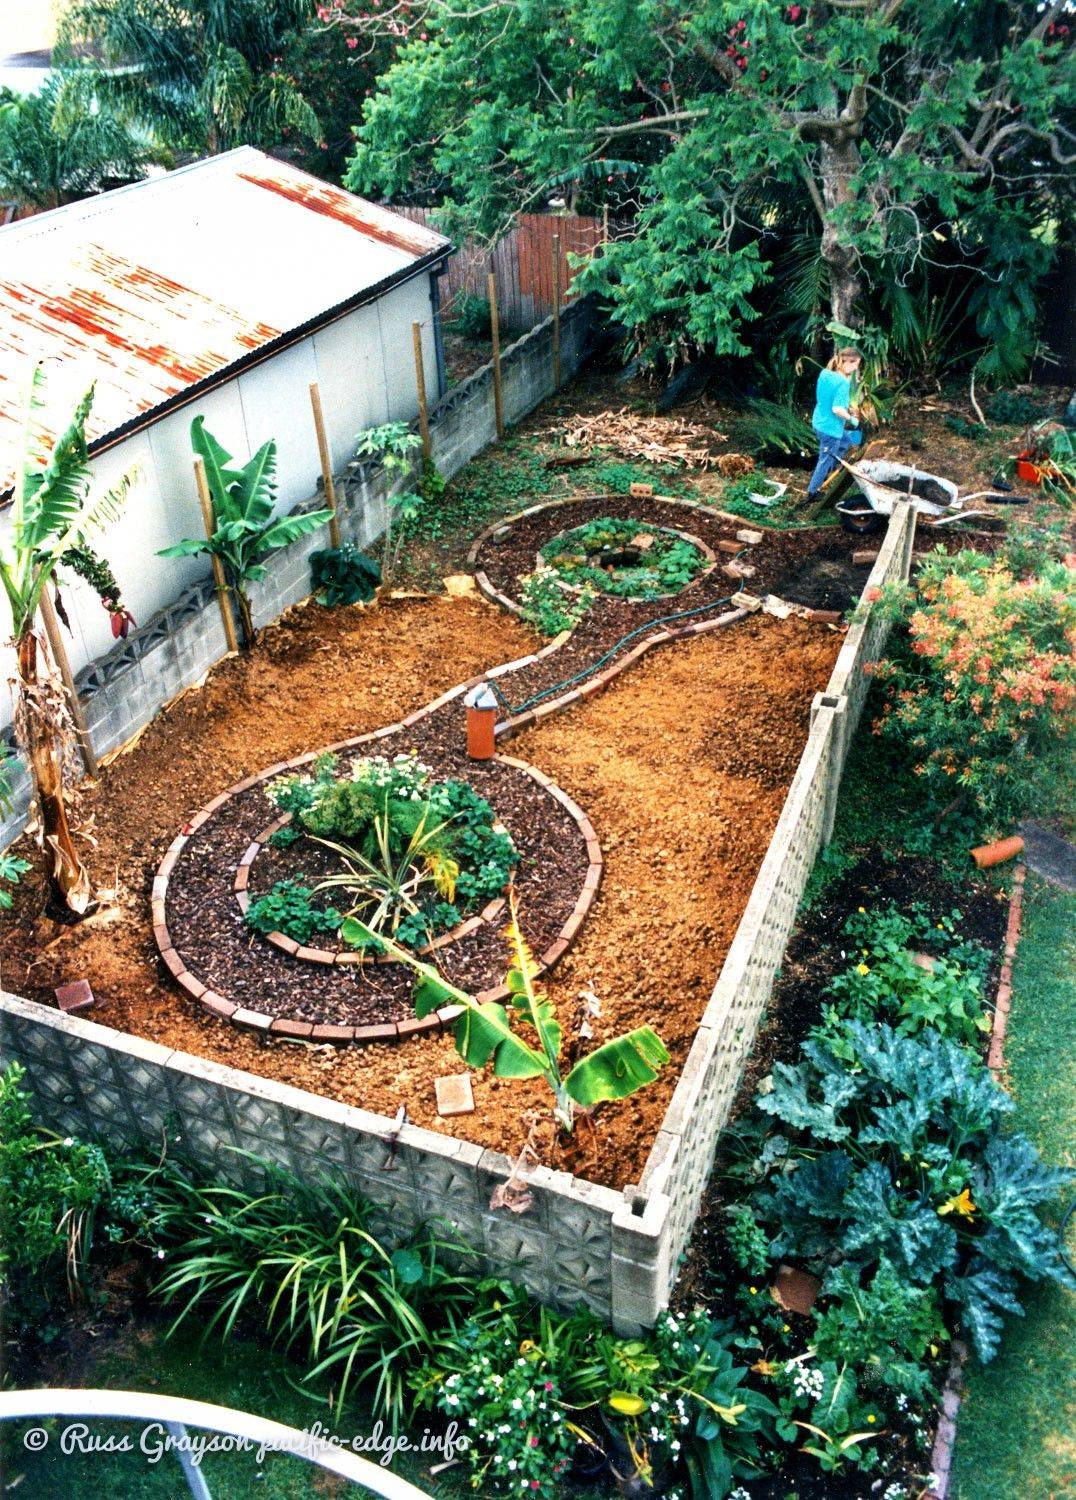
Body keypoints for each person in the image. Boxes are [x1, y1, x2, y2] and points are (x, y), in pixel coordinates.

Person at [804, 347, 863, 503]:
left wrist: (847, 407)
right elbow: (836, 409)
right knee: (825, 459)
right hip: (830, 429)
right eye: (856, 364)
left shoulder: (825, 373)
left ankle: (832, 466)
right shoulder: (843, 383)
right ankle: (812, 493)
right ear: (848, 362)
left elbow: (829, 398)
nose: (857, 367)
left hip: (818, 422)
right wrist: (851, 418)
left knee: (845, 442)